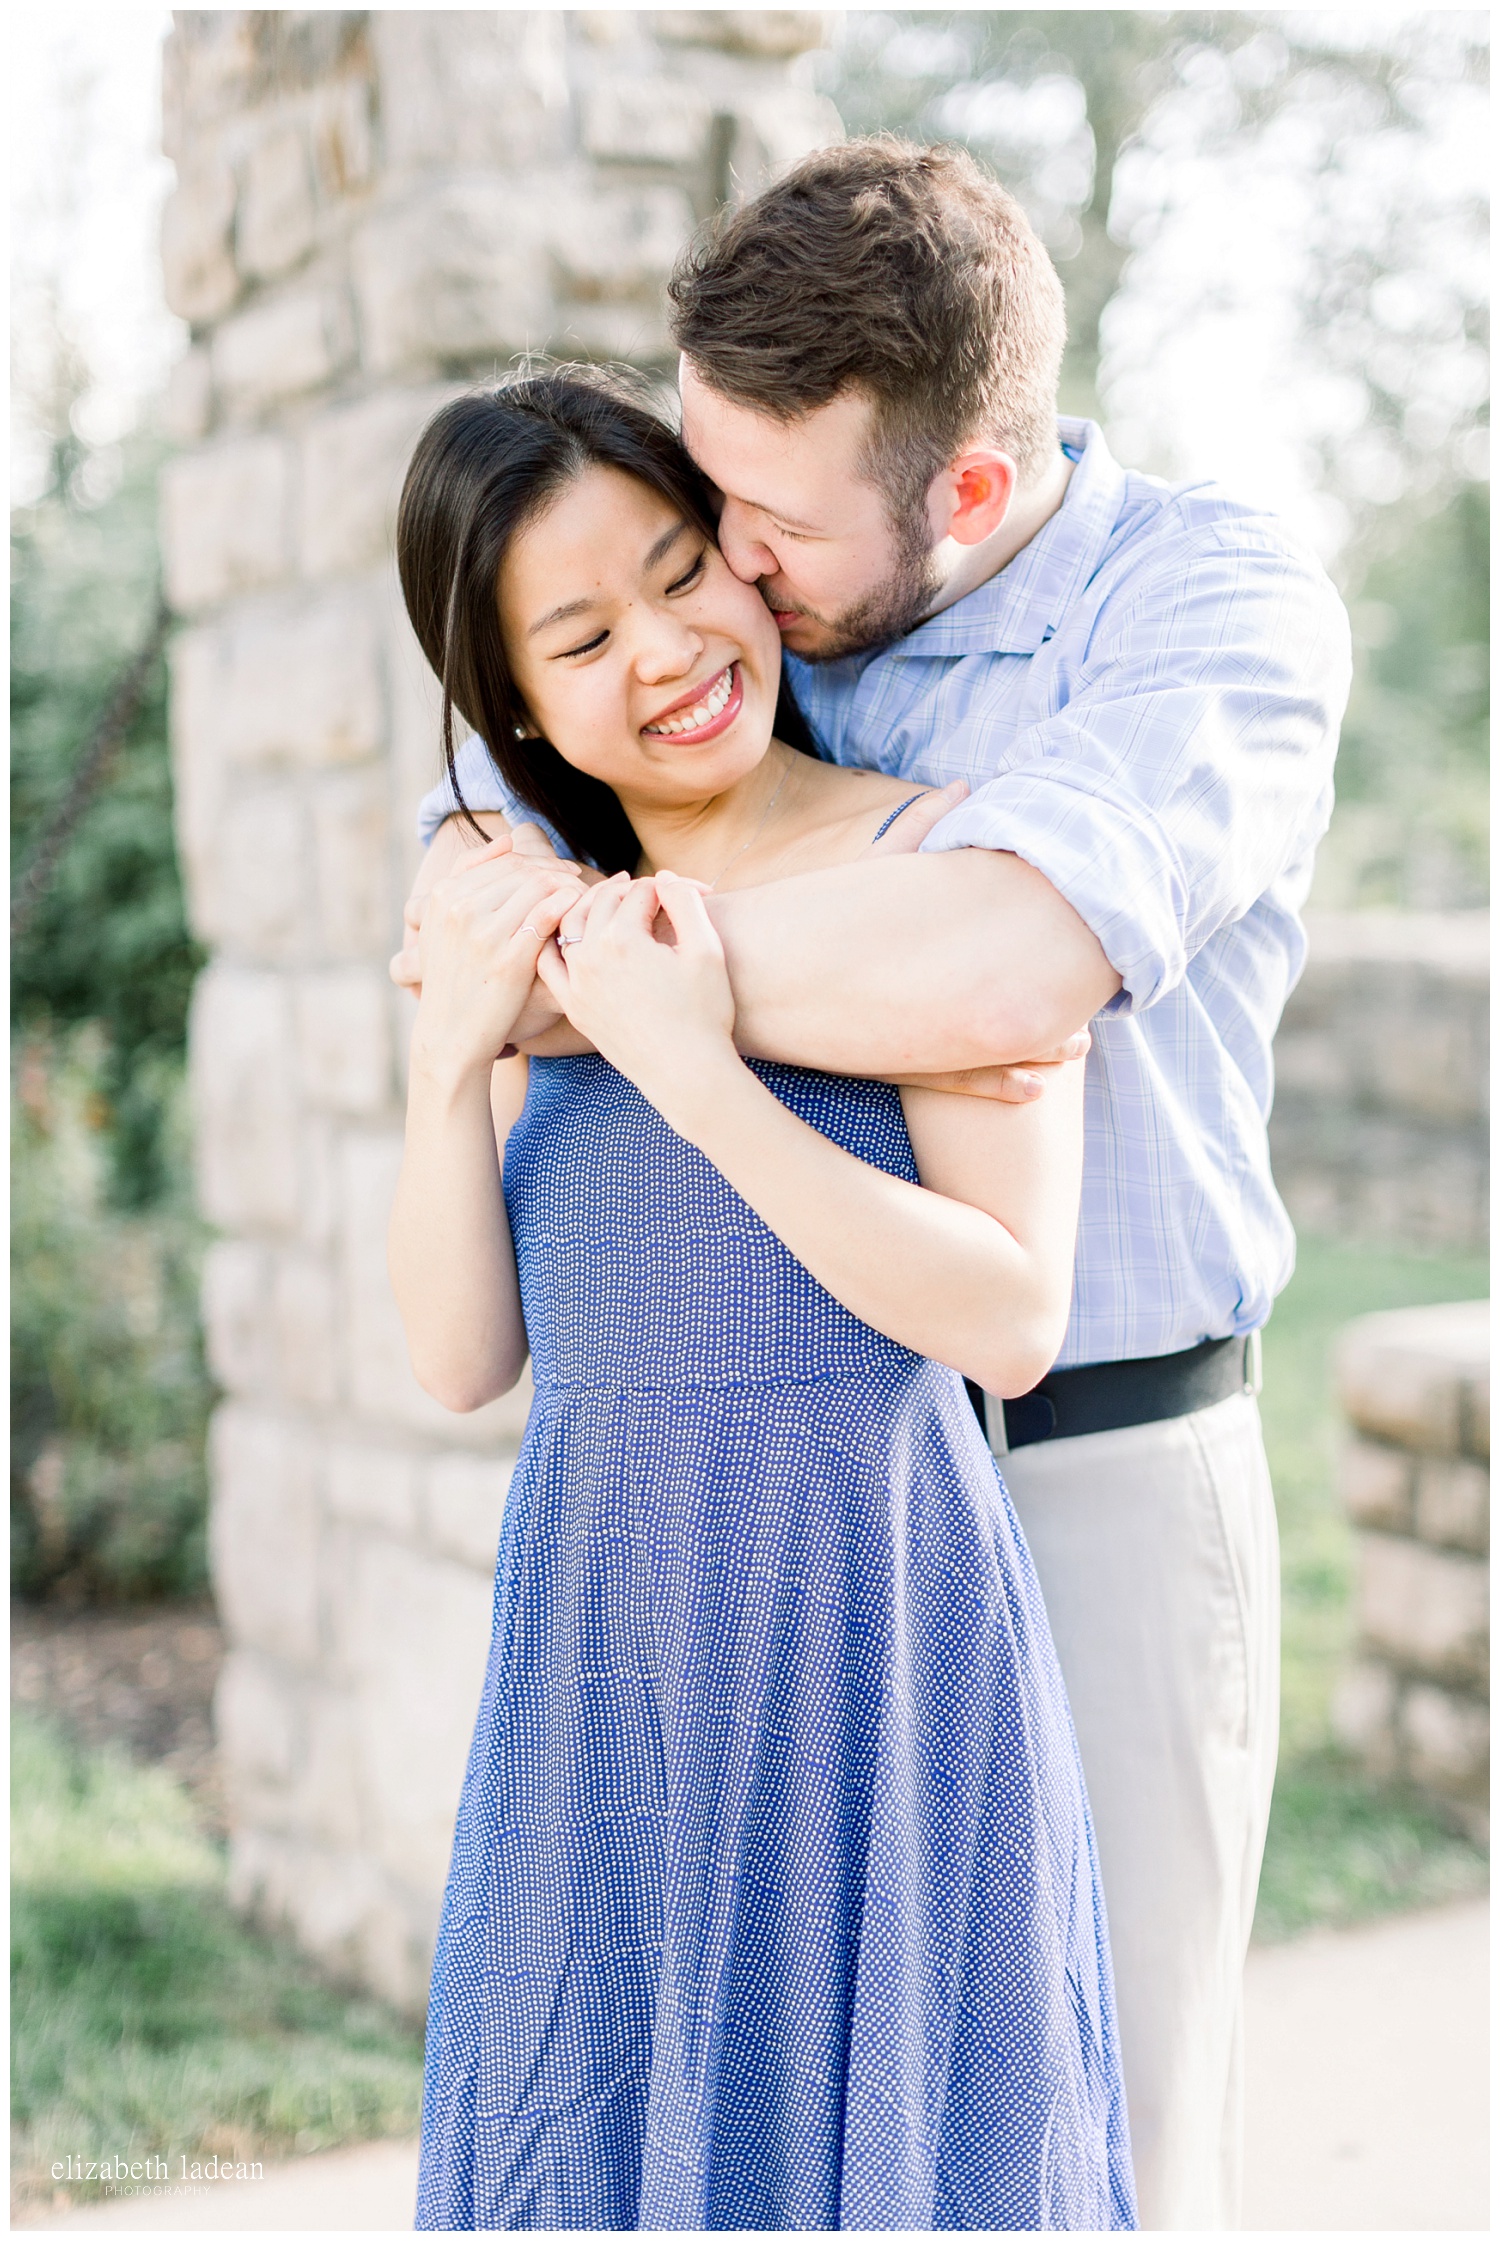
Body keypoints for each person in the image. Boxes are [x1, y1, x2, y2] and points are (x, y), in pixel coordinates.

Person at [400, 141, 1351, 2229]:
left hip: (1089, 1455)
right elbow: (466, 858)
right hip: (750, 1515)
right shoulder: (736, 613)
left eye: (755, 524)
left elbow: (1015, 962)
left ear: (968, 499)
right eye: (700, 499)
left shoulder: (1203, 605)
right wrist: (556, 960)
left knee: (1082, 2124)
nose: (721, 566)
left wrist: (610, 976)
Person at [390, 369, 1136, 2232]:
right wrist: (447, 1065)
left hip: (866, 1630)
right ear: (517, 707)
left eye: (679, 571)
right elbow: (464, 1354)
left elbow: (1010, 1314)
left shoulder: (942, 870)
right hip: (607, 1656)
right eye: (581, 631)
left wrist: (698, 1064)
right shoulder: (531, 926)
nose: (666, 647)